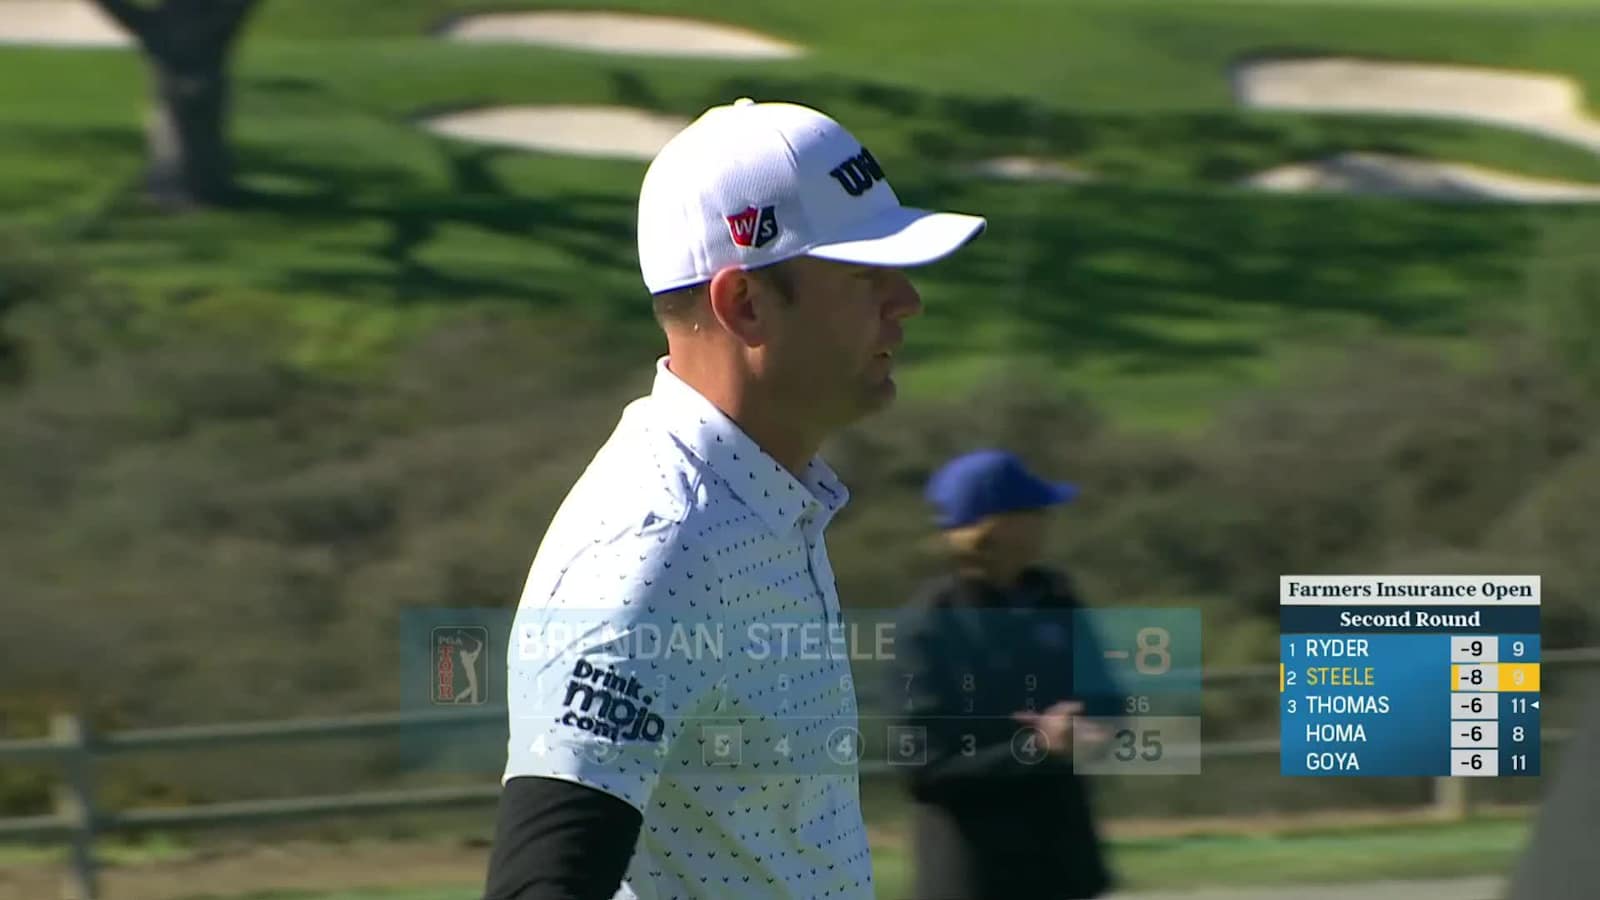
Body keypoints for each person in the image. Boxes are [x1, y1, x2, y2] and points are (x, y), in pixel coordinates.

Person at [480, 98, 986, 900]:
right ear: (745, 304)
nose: (907, 302)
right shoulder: (654, 548)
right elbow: (540, 883)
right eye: (865, 276)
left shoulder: (766, 500)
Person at [891, 449, 1117, 900]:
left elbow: (1108, 702)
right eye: (1033, 510)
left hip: (1066, 870)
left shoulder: (1056, 598)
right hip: (976, 877)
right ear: (997, 526)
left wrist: (1093, 727)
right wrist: (1034, 748)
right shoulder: (930, 623)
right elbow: (924, 767)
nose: (1047, 519)